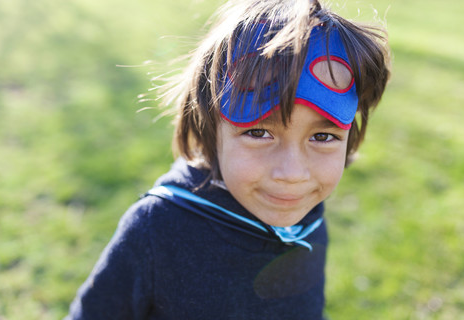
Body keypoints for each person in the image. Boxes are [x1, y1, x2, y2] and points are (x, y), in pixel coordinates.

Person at [66, 0, 390, 319]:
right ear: (209, 128)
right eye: (259, 133)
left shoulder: (306, 215)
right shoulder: (157, 229)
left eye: (322, 137)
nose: (292, 174)